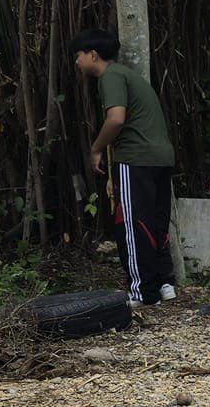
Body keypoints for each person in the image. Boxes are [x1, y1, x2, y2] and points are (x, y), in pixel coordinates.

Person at [71, 29, 178, 307]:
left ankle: (142, 292)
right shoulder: (129, 76)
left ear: (93, 55)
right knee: (155, 222)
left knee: (132, 224)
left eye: (78, 56)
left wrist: (95, 149)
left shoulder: (111, 76)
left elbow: (116, 119)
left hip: (136, 157)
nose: (77, 62)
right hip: (161, 157)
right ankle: (164, 284)